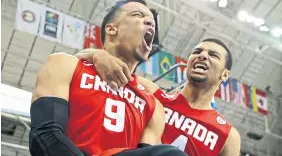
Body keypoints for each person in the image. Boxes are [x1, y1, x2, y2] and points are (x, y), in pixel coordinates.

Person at [29, 0, 187, 156]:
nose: (150, 23)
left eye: (152, 21)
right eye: (138, 15)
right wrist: (96, 54)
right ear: (112, 29)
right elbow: (45, 134)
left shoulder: (153, 105)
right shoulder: (65, 64)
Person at [75, 38, 241, 156]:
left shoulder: (228, 136)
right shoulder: (151, 93)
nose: (202, 55)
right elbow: (87, 61)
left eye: (213, 55)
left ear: (225, 74)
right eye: (197, 52)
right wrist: (100, 55)